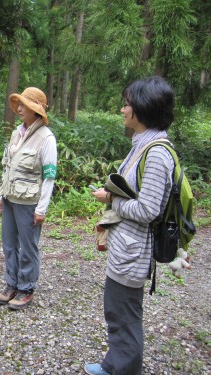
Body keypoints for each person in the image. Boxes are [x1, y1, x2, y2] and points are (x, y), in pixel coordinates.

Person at [85, 76, 177, 375]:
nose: (123, 110)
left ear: (143, 108)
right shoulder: (143, 145)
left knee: (124, 314)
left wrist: (111, 199)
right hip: (127, 246)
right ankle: (114, 365)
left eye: (127, 104)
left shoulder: (157, 154)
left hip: (134, 250)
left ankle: (124, 370)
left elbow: (149, 209)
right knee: (118, 310)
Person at [0, 87, 57, 310]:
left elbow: (49, 177)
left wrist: (42, 209)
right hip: (11, 199)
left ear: (36, 110)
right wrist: (1, 194)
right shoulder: (16, 133)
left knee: (28, 247)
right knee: (9, 245)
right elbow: (7, 167)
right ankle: (11, 284)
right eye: (19, 104)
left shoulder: (46, 138)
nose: (19, 108)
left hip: (30, 203)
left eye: (24, 105)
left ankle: (26, 287)